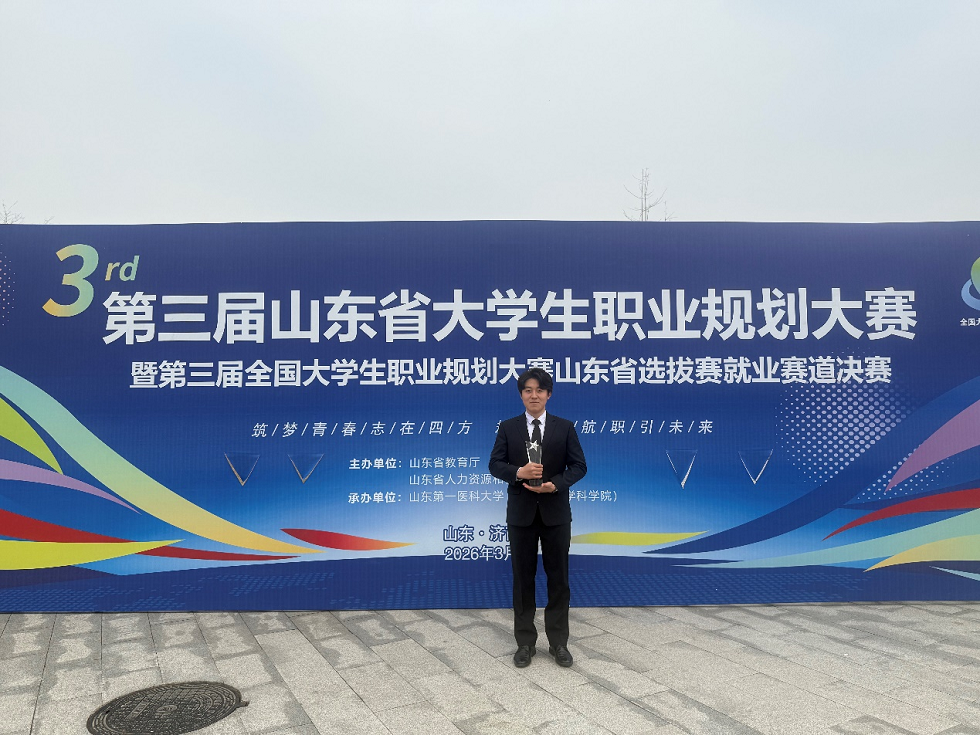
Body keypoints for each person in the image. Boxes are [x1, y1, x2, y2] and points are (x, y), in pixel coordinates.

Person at [489, 368, 587, 668]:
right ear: (521, 395)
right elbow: (495, 464)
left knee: (559, 579)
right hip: (521, 515)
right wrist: (518, 472)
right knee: (523, 579)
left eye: (539, 390)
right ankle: (525, 643)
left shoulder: (565, 427)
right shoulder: (508, 427)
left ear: (548, 394)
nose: (534, 395)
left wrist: (555, 484)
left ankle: (558, 643)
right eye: (528, 390)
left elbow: (579, 466)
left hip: (556, 514)